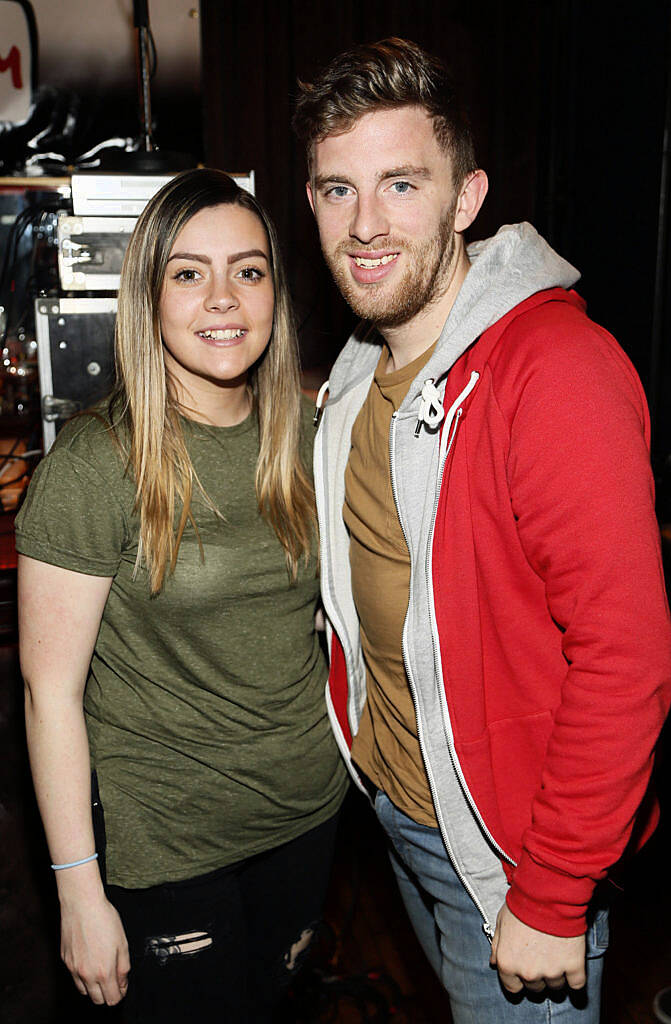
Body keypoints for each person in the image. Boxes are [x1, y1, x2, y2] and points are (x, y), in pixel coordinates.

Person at [293, 37, 671, 1023]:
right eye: (338, 190)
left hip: (514, 857)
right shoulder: (352, 376)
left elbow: (627, 654)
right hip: (407, 822)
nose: (366, 224)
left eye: (401, 185)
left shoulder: (553, 371)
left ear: (467, 198)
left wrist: (550, 894)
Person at [16, 168, 348, 1023]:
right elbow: (48, 693)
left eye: (249, 270)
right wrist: (78, 895)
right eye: (189, 273)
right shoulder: (97, 465)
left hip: (305, 816)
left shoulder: (313, 437)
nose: (224, 299)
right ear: (149, 297)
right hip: (167, 843)